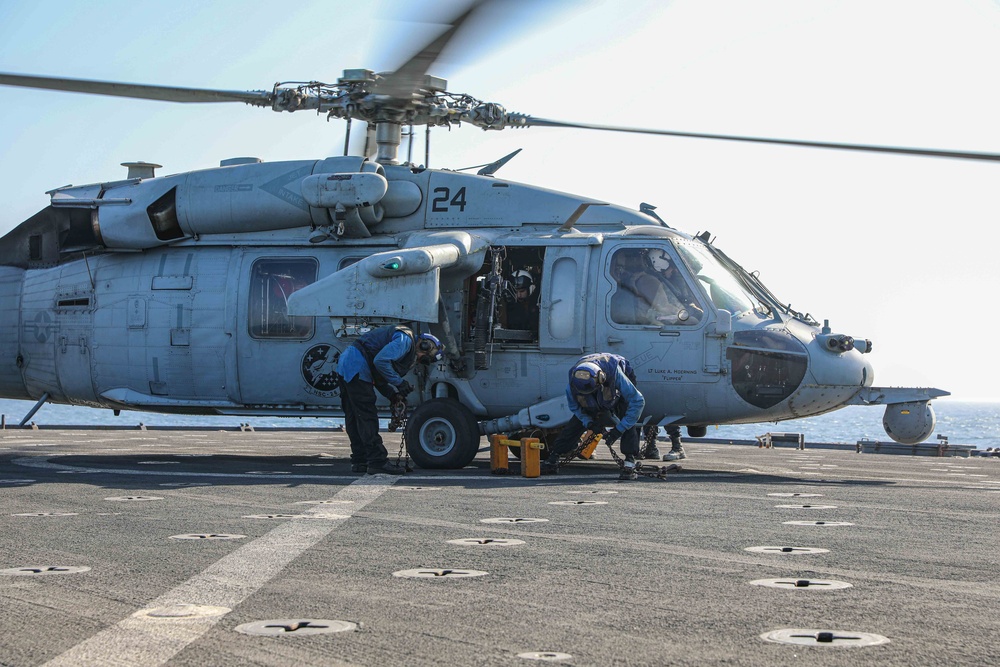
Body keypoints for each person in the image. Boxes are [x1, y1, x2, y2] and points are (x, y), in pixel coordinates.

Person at [336, 325, 444, 475]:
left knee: (354, 417)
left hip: (347, 365)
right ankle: (377, 462)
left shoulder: (403, 339)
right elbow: (380, 362)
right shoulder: (405, 340)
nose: (420, 361)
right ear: (425, 346)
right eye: (424, 358)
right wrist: (399, 383)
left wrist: (392, 395)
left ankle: (360, 460)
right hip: (356, 366)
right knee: (366, 416)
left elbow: (378, 375)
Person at [541, 353, 646, 480]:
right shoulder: (574, 384)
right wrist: (589, 422)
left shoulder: (616, 376)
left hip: (617, 379)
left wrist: (620, 429)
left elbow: (638, 401)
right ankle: (555, 455)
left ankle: (629, 460)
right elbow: (575, 407)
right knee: (576, 423)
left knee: (626, 413)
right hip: (592, 383)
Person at [644, 248, 704, 324]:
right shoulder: (656, 284)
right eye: (672, 268)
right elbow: (664, 307)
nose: (676, 271)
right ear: (661, 265)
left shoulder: (672, 282)